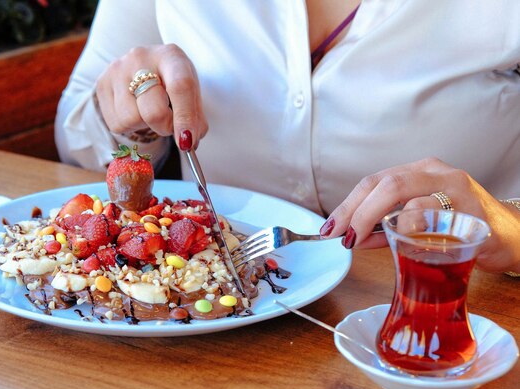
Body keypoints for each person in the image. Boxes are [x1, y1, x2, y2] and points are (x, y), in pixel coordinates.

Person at [55, 0, 520, 275]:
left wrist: (509, 229)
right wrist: (128, 112)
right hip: (210, 323)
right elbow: (74, 133)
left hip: (455, 314)